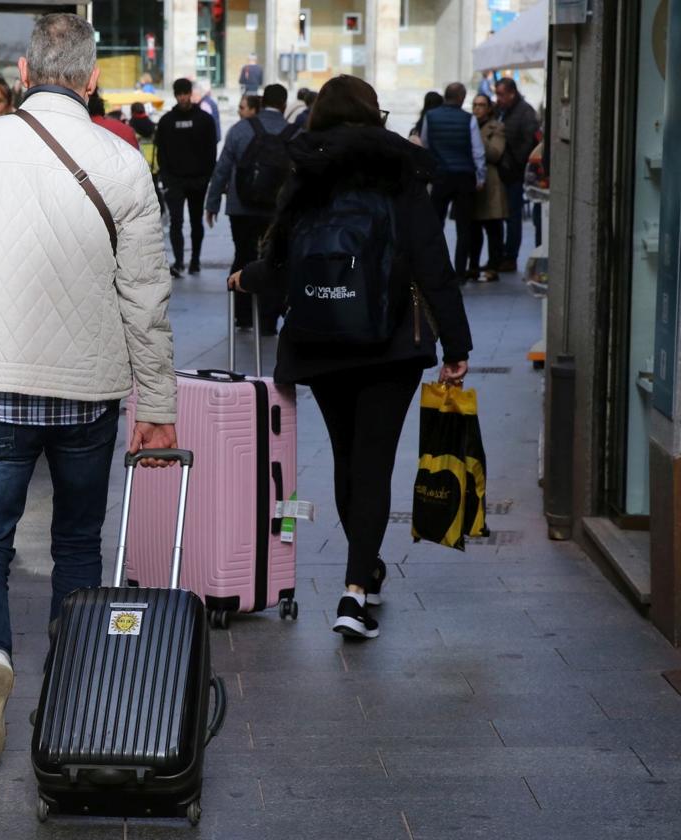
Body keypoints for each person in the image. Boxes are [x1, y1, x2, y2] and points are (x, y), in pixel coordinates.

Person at [0, 12, 178, 769]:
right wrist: (156, 407)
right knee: (78, 545)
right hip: (89, 391)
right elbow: (146, 293)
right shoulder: (121, 161)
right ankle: (71, 684)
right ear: (92, 81)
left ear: (22, 76)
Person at [231, 74, 472, 640]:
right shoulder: (402, 170)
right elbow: (432, 262)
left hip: (321, 337)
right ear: (372, 112)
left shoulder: (306, 171)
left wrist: (246, 278)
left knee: (346, 459)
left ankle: (363, 571)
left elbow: (281, 259)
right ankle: (356, 590)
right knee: (375, 460)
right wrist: (456, 344)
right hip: (391, 343)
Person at [205, 83, 296, 331]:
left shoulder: (240, 130)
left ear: (262, 101)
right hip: (276, 212)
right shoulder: (294, 134)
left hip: (241, 208)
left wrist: (212, 203)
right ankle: (267, 320)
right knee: (274, 260)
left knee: (243, 256)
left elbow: (222, 168)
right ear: (284, 105)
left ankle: (242, 316)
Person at [421, 82, 485, 282]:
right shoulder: (469, 120)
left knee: (434, 225)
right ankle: (459, 272)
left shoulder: (430, 117)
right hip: (464, 177)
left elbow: (425, 145)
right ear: (462, 98)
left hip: (440, 177)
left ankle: (435, 268)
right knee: (464, 228)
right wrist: (481, 176)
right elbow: (478, 152)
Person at [156, 77, 217, 277]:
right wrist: (166, 175)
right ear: (175, 95)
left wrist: (206, 176)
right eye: (179, 94)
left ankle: (195, 260)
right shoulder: (167, 121)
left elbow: (211, 151)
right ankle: (180, 261)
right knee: (176, 221)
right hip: (175, 180)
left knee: (196, 221)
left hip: (197, 180)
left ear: (190, 93)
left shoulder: (204, 120)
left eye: (185, 93)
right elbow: (161, 151)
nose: (182, 97)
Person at [494, 78, 539, 272]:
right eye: (497, 94)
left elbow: (530, 141)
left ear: (512, 93)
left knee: (513, 216)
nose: (498, 98)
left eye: (501, 94)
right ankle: (499, 254)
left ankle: (510, 256)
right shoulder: (500, 111)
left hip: (514, 173)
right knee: (499, 215)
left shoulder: (525, 111)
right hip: (500, 172)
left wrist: (516, 162)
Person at [469, 94, 508, 283]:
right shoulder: (467, 124)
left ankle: (494, 265)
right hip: (473, 181)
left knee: (493, 228)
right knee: (473, 230)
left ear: (489, 108)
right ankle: (473, 266)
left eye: (482, 105)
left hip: (491, 184)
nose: (477, 109)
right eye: (475, 105)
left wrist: (478, 137)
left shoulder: (497, 127)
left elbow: (495, 154)